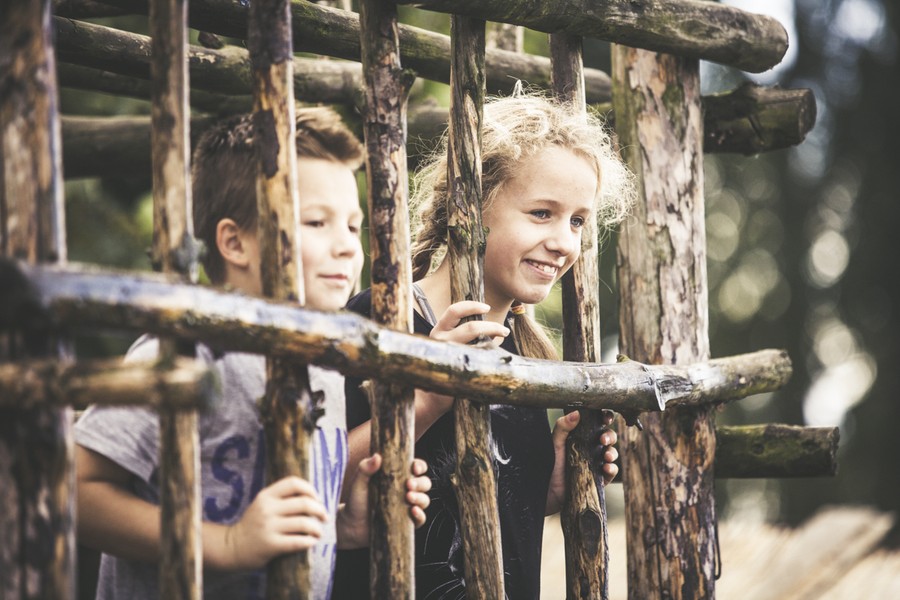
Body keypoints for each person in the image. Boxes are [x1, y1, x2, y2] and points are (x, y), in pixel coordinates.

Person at [74, 107, 431, 600]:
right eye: (317, 222)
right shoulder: (188, 353)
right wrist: (226, 544)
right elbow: (73, 489)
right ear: (234, 242)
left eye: (354, 227)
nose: (348, 247)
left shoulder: (323, 366)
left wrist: (343, 525)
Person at [336, 91, 635, 599]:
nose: (565, 241)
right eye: (542, 213)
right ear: (469, 203)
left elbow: (484, 505)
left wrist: (551, 485)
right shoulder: (375, 322)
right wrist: (427, 399)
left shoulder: (519, 359)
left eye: (578, 221)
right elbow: (315, 473)